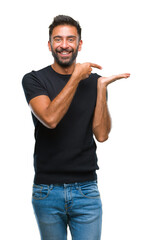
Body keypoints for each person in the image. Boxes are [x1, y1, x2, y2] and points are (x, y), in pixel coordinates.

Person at [22, 15, 130, 240]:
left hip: (86, 190)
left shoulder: (93, 82)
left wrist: (100, 88)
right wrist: (76, 78)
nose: (64, 45)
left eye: (70, 39)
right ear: (49, 44)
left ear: (79, 44)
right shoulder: (34, 80)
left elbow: (101, 135)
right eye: (58, 39)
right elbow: (50, 119)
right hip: (47, 191)